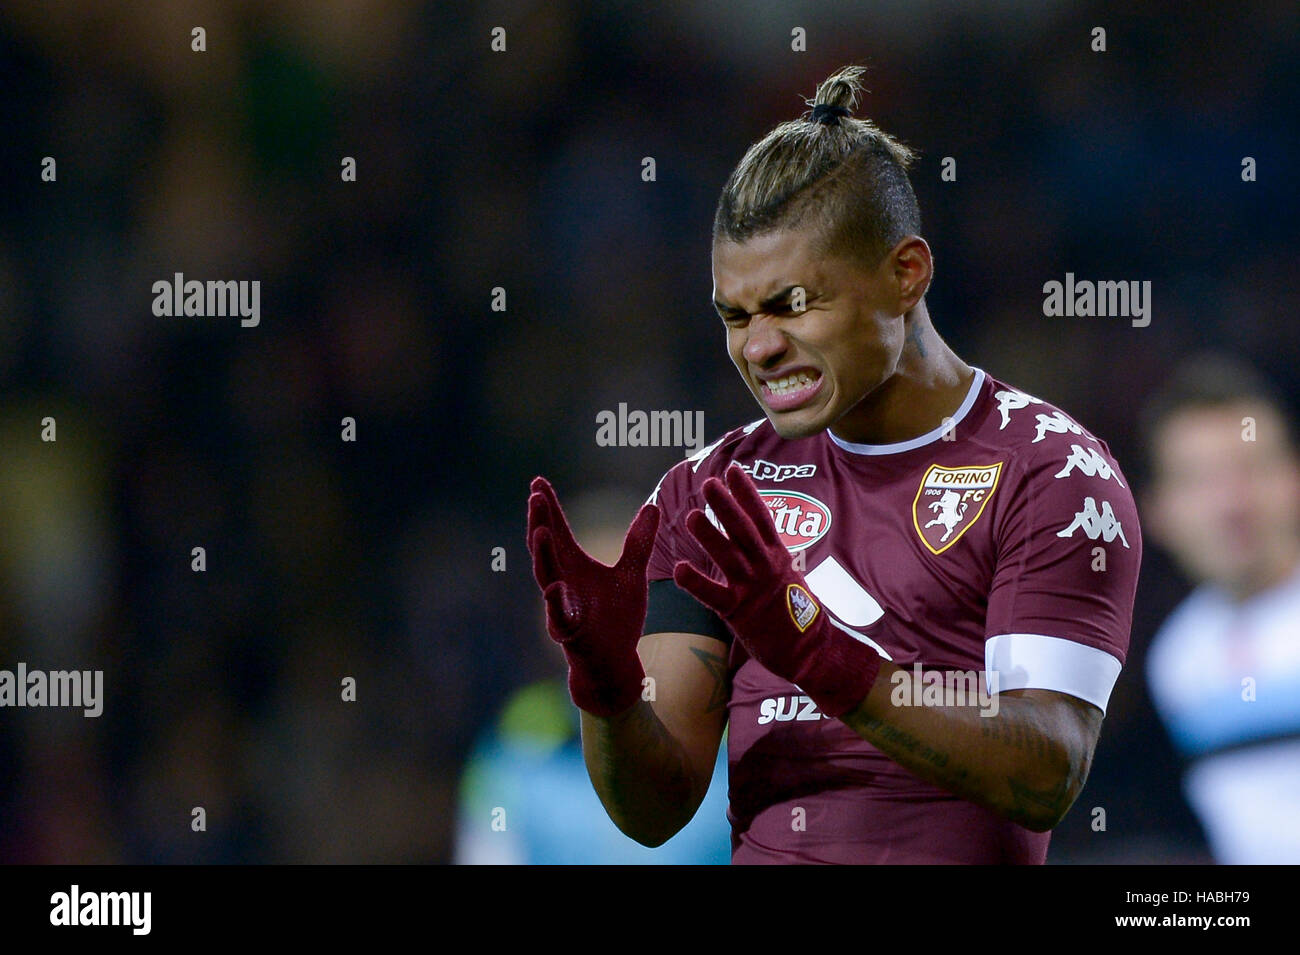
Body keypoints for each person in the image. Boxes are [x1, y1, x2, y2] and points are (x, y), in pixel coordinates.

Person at [526, 66, 1141, 864]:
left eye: (791, 303)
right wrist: (606, 693)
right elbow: (655, 811)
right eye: (735, 315)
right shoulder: (710, 493)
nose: (759, 345)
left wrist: (825, 658)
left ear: (905, 272)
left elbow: (1048, 767)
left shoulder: (1050, 471)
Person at [457, 489, 731, 864]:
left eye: (633, 594)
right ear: (544, 612)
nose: (605, 620)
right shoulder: (512, 740)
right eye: (579, 597)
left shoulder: (732, 734)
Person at [1140, 354, 1300, 864]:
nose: (1232, 504)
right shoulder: (1177, 661)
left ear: (1293, 479)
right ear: (1157, 511)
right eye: (1200, 481)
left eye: (1251, 469)